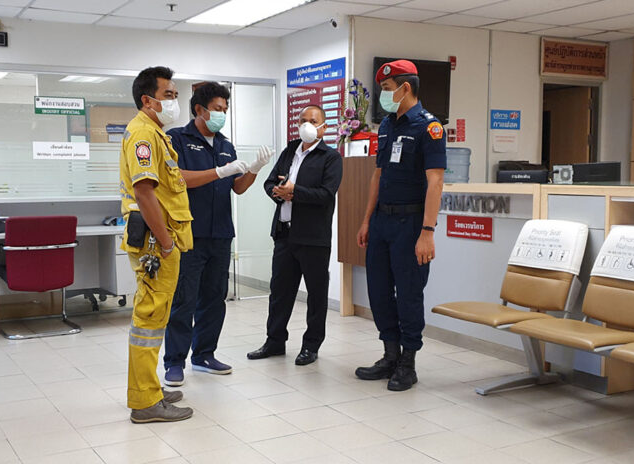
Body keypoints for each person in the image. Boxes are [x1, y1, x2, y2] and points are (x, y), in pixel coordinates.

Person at [163, 82, 272, 386]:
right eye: (217, 109)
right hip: (189, 234)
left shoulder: (225, 145)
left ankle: (204, 354)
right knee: (183, 299)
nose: (222, 114)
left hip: (220, 234)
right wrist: (219, 172)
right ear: (199, 109)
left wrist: (254, 169)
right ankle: (174, 362)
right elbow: (178, 179)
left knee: (214, 298)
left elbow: (237, 188)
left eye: (225, 109)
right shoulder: (177, 139)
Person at [355, 60, 446, 391]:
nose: (383, 94)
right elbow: (378, 175)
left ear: (406, 88)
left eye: (387, 88)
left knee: (408, 294)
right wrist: (366, 219)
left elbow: (435, 182)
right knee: (378, 292)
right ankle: (389, 355)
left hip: (411, 224)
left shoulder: (429, 128)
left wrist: (428, 232)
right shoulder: (386, 126)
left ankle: (408, 363)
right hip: (382, 222)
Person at [119, 66, 194, 423]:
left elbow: (171, 185)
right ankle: (145, 402)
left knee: (155, 318)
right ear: (147, 100)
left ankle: (149, 388)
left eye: (176, 95)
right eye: (168, 95)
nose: (174, 102)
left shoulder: (156, 133)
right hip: (155, 243)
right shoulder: (143, 136)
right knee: (149, 321)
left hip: (161, 241)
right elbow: (144, 192)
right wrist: (165, 244)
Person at [247, 105, 343, 366]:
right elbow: (269, 183)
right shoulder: (290, 150)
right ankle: (275, 341)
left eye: (313, 120)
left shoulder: (330, 157)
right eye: (302, 120)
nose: (306, 124)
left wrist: (295, 192)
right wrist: (277, 191)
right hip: (284, 234)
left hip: (314, 237)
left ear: (324, 126)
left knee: (316, 294)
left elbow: (326, 194)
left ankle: (311, 346)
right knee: (279, 291)